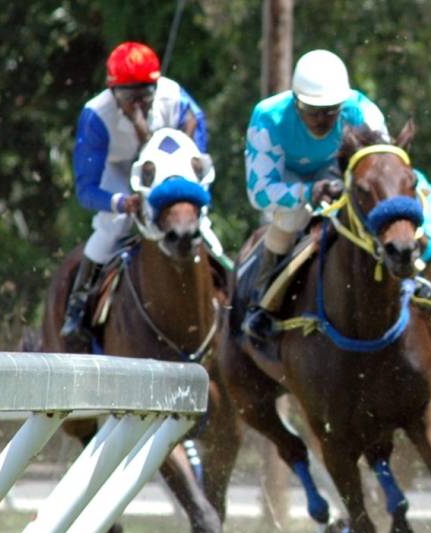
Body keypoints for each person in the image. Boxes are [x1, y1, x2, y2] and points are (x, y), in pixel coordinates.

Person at [61, 41, 215, 349]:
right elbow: (86, 189)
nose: (139, 105)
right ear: (112, 90)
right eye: (130, 98)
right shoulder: (95, 116)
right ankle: (77, 308)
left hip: (166, 176)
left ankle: (228, 297)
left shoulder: (179, 101)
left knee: (202, 228)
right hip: (118, 172)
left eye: (146, 95)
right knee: (112, 227)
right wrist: (121, 202)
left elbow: (198, 163)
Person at [239, 49, 389, 344]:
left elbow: (384, 170)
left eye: (331, 110)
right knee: (293, 215)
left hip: (340, 172)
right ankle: (263, 300)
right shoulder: (268, 117)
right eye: (311, 110)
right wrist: (309, 191)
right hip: (291, 181)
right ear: (295, 101)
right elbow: (259, 193)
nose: (322, 119)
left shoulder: (362, 112)